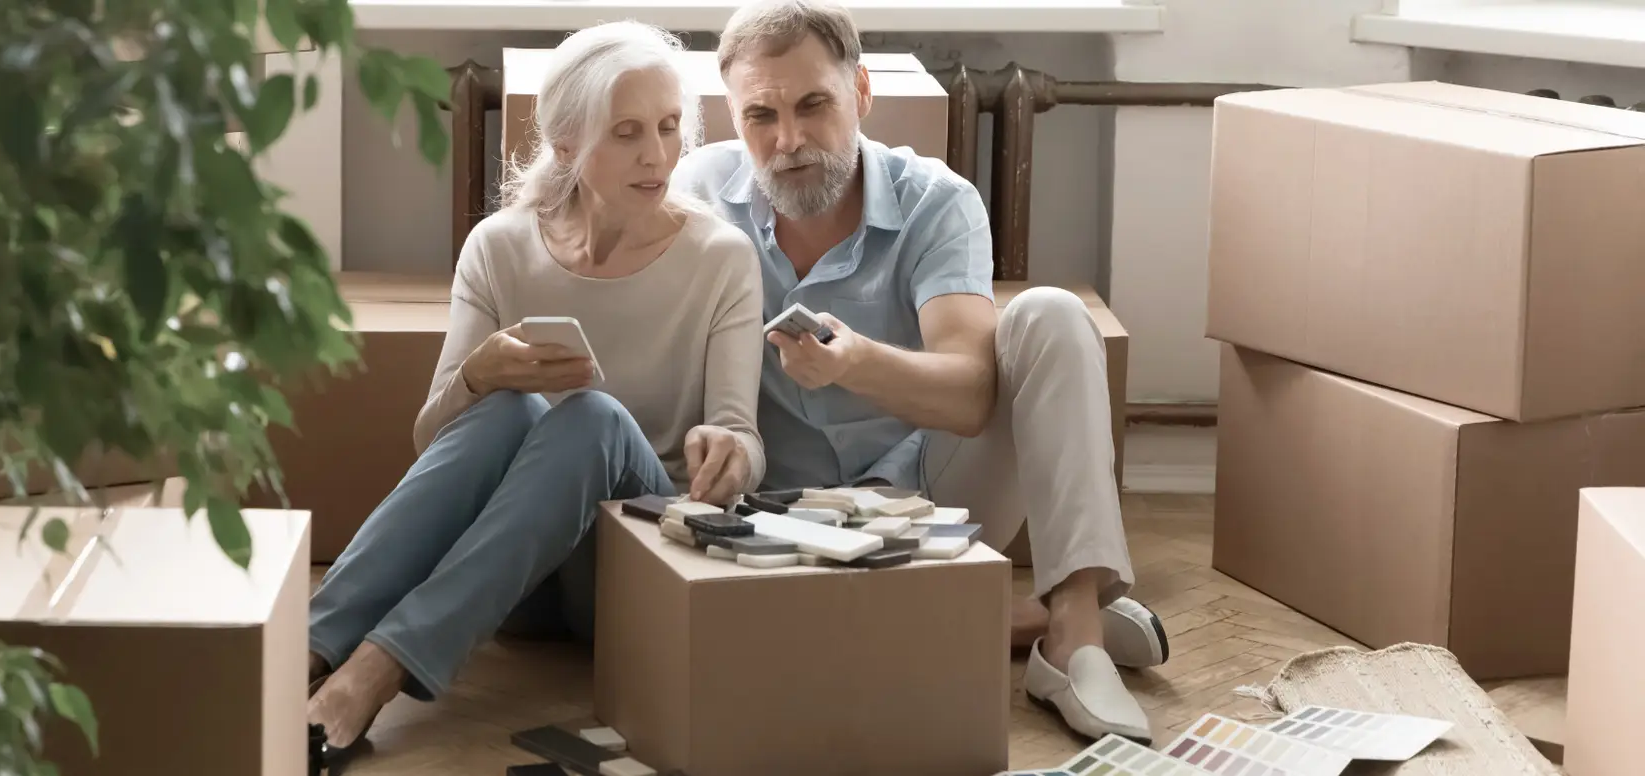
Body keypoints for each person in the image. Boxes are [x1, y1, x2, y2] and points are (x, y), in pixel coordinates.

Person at [672, 0, 1168, 744]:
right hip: (781, 525)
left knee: (1053, 315)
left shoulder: (936, 200)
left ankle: (1072, 640)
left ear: (861, 94)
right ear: (733, 118)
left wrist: (857, 362)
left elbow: (971, 395)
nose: (789, 140)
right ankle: (1050, 606)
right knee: (787, 648)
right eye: (760, 117)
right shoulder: (700, 194)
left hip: (928, 494)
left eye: (814, 105)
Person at [305, 20, 767, 751]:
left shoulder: (721, 258)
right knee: (505, 409)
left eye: (671, 127)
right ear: (565, 146)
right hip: (508, 579)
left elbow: (743, 437)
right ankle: (306, 650)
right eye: (626, 132)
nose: (657, 155)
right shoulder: (500, 247)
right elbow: (433, 442)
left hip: (629, 575)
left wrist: (731, 453)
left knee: (592, 418)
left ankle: (376, 669)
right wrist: (478, 376)